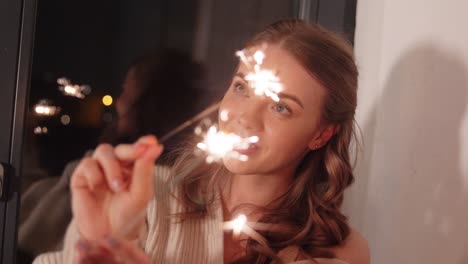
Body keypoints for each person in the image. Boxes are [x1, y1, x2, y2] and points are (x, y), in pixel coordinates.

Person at [34, 19, 370, 264]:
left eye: (281, 107)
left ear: (321, 134)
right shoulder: (147, 198)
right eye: (241, 88)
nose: (244, 118)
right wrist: (98, 239)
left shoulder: (337, 252)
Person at [19, 49, 203, 260]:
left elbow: (29, 233)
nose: (118, 102)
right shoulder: (100, 173)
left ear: (150, 102)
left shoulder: (164, 189)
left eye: (126, 90)